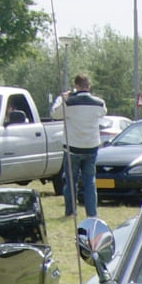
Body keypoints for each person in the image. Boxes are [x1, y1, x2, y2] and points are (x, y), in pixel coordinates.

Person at [51, 73, 106, 218]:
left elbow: (54, 114)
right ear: (89, 86)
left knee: (70, 181)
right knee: (90, 181)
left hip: (72, 147)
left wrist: (61, 98)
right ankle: (92, 213)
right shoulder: (99, 103)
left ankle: (71, 211)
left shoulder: (69, 102)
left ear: (75, 86)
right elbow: (103, 113)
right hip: (91, 146)